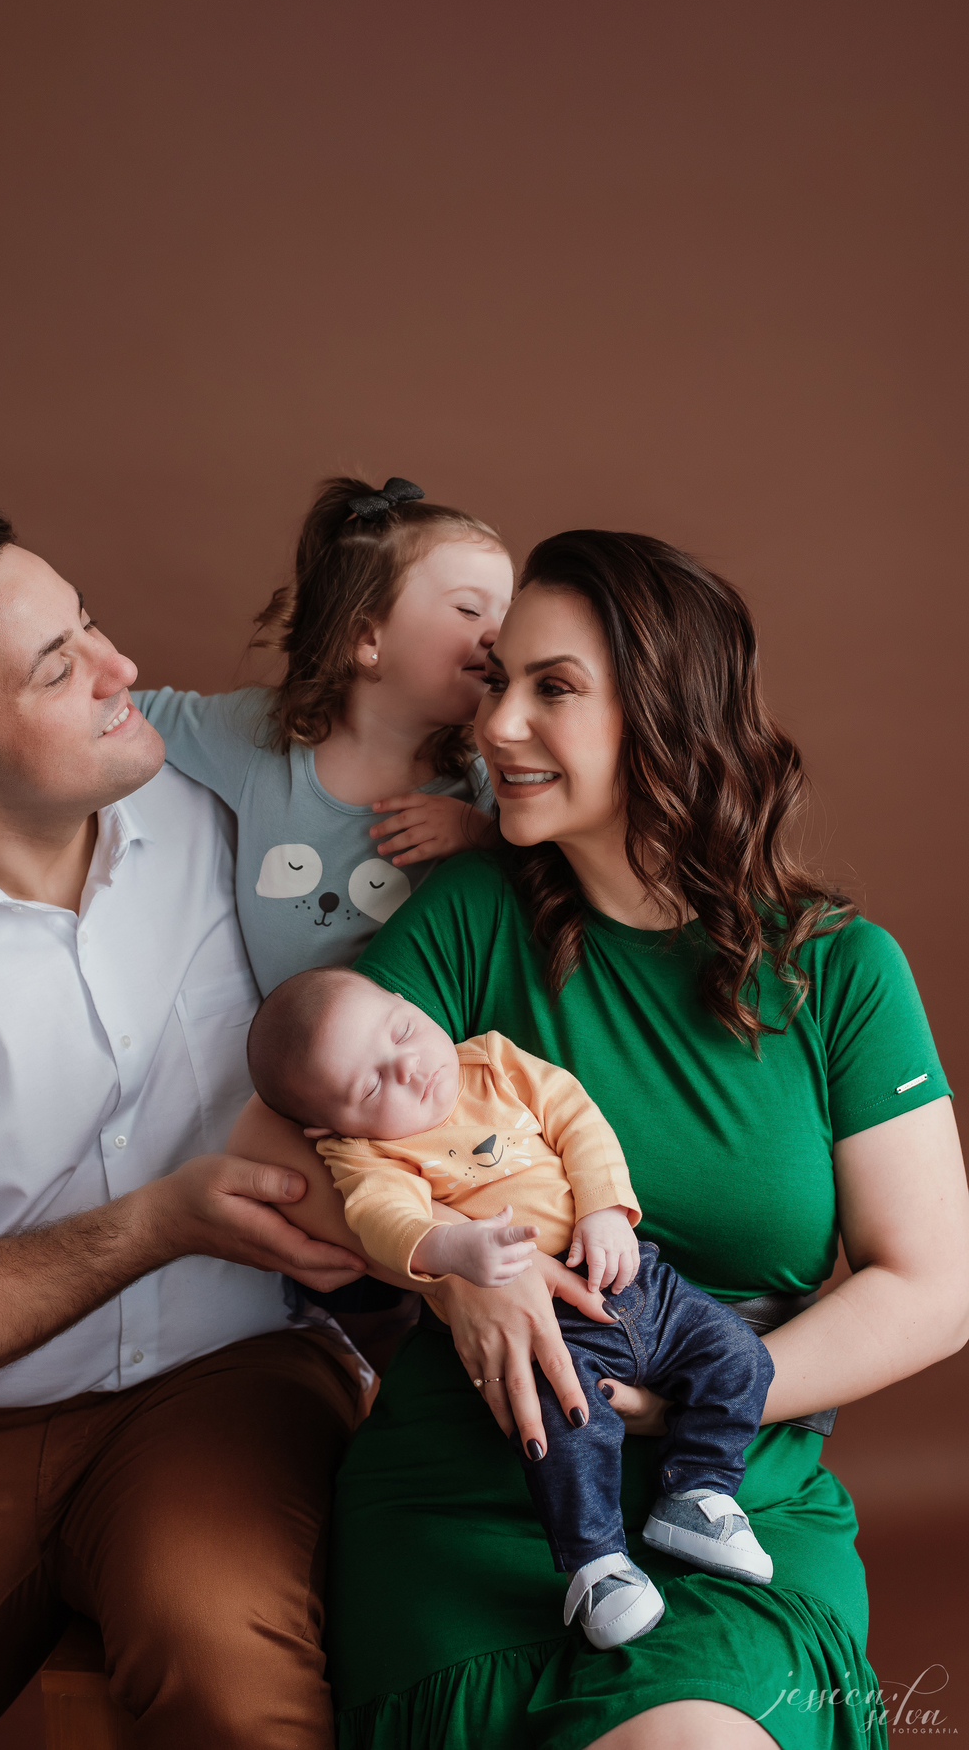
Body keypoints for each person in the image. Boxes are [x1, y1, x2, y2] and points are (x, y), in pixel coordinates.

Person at [225, 530, 969, 1749]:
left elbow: (934, 1287)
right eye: (496, 682)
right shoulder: (471, 916)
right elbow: (275, 1137)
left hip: (735, 1492)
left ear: (669, 716)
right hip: (481, 1485)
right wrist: (459, 1279)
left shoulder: (839, 971)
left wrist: (696, 1397)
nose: (496, 725)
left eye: (553, 688)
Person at [0, 505, 374, 1750]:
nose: (122, 667)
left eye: (88, 623)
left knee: (234, 1685)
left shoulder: (239, 820)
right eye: (58, 667)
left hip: (233, 1378)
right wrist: (156, 1225)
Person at [246, 967, 777, 1651]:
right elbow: (380, 1218)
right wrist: (452, 1246)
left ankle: (698, 1491)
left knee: (739, 1356)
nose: (408, 1069)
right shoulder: (365, 1153)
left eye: (402, 1032)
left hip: (627, 1273)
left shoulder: (493, 1061)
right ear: (330, 1125)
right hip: (547, 1328)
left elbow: (576, 1119)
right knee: (569, 1428)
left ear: (410, 1003)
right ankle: (597, 1566)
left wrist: (605, 1208)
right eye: (371, 1087)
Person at [130, 474, 515, 998]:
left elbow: (552, 886)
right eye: (469, 610)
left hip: (426, 1034)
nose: (500, 637)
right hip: (285, 1033)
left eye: (507, 616)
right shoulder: (261, 737)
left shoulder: (482, 774)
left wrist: (481, 835)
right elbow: (130, 713)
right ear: (367, 637)